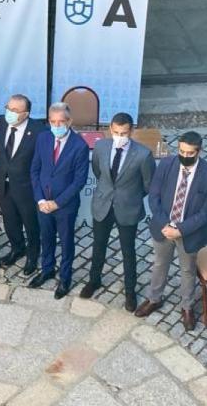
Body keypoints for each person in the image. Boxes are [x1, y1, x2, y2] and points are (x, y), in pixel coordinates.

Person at [135, 131, 207, 331]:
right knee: (159, 264)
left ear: (199, 151)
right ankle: (154, 298)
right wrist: (166, 225)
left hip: (188, 232)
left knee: (187, 270)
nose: (185, 155)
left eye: (190, 153)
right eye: (181, 151)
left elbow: (205, 212)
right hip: (163, 228)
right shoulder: (166, 165)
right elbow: (154, 196)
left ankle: (187, 307)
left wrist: (180, 229)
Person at [81, 112, 155, 311]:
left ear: (131, 131)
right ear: (110, 130)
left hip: (127, 208)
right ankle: (94, 280)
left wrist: (130, 197)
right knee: (98, 246)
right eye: (115, 132)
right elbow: (98, 171)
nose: (119, 136)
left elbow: (148, 185)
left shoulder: (143, 154)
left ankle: (130, 292)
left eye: (123, 133)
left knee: (128, 251)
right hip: (103, 204)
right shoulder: (101, 146)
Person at [28, 102, 90, 298]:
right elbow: (35, 170)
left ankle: (65, 278)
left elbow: (79, 181)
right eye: (52, 122)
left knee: (66, 242)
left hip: (65, 206)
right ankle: (47, 269)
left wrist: (58, 202)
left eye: (60, 122)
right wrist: (39, 200)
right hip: (43, 203)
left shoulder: (79, 145)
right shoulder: (43, 138)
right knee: (46, 238)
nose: (56, 126)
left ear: (69, 121)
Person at [0, 94, 47, 274]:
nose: (10, 113)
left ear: (26, 114)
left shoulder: (39, 131)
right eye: (8, 108)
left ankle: (32, 255)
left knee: (31, 224)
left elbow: (43, 162)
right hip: (4, 184)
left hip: (27, 188)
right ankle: (17, 248)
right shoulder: (1, 122)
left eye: (15, 110)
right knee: (10, 221)